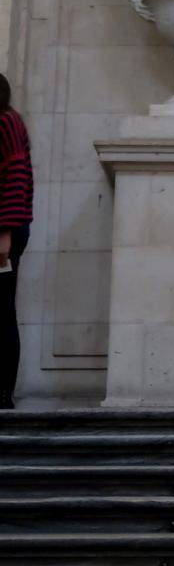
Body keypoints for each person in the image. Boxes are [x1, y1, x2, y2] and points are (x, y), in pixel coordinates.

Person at [0, 74, 33, 409]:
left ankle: (3, 391)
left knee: (3, 311)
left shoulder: (7, 122)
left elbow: (17, 177)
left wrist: (5, 233)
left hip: (5, 231)